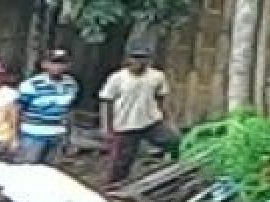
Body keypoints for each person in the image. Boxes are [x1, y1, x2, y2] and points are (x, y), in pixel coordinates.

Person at [99, 43, 180, 187]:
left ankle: (167, 172)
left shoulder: (157, 76)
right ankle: (113, 188)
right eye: (135, 58)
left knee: (172, 140)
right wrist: (107, 126)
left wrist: (167, 120)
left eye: (143, 58)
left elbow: (161, 99)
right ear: (128, 59)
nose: (139, 62)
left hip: (151, 121)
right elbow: (107, 102)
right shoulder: (117, 78)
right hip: (125, 125)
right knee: (121, 162)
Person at [17, 49, 80, 165]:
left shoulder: (71, 84)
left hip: (57, 134)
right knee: (27, 169)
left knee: (51, 171)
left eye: (62, 63)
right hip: (33, 134)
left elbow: (69, 110)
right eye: (54, 62)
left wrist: (70, 137)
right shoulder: (31, 84)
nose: (58, 66)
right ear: (44, 64)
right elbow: (18, 109)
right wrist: (15, 136)